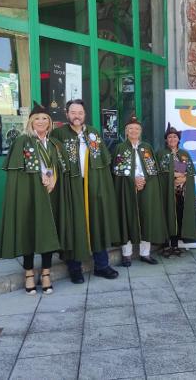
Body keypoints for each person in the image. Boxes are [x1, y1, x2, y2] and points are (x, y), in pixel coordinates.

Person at [0, 103, 64, 295]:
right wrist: (38, 177)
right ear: (30, 122)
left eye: (45, 118)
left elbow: (58, 166)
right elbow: (18, 174)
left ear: (49, 122)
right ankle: (28, 273)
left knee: (48, 234)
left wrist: (52, 177)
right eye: (37, 118)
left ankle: (45, 273)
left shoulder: (53, 144)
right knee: (29, 231)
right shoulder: (23, 141)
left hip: (50, 192)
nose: (41, 122)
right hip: (30, 194)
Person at [51, 99, 121, 283]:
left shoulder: (93, 133)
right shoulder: (58, 134)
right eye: (73, 112)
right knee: (74, 224)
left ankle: (102, 265)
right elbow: (52, 161)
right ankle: (75, 268)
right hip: (71, 186)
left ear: (85, 114)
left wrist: (103, 187)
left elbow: (103, 162)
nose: (77, 116)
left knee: (98, 222)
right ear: (67, 114)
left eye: (80, 112)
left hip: (94, 184)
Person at [113, 114, 167, 266]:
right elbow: (118, 170)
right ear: (126, 131)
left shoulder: (147, 147)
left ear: (140, 131)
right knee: (127, 218)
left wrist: (144, 181)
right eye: (131, 128)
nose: (134, 131)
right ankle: (127, 255)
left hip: (146, 187)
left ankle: (145, 253)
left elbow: (152, 168)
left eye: (137, 128)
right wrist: (133, 180)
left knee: (146, 218)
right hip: (127, 188)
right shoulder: (120, 148)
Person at [157, 123, 196, 257]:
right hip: (165, 193)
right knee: (166, 216)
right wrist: (173, 175)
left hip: (180, 193)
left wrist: (184, 178)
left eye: (175, 137)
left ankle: (175, 245)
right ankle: (165, 245)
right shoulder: (161, 153)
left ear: (179, 139)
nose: (172, 139)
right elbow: (158, 172)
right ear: (166, 140)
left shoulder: (184, 154)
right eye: (169, 137)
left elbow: (190, 172)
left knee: (178, 216)